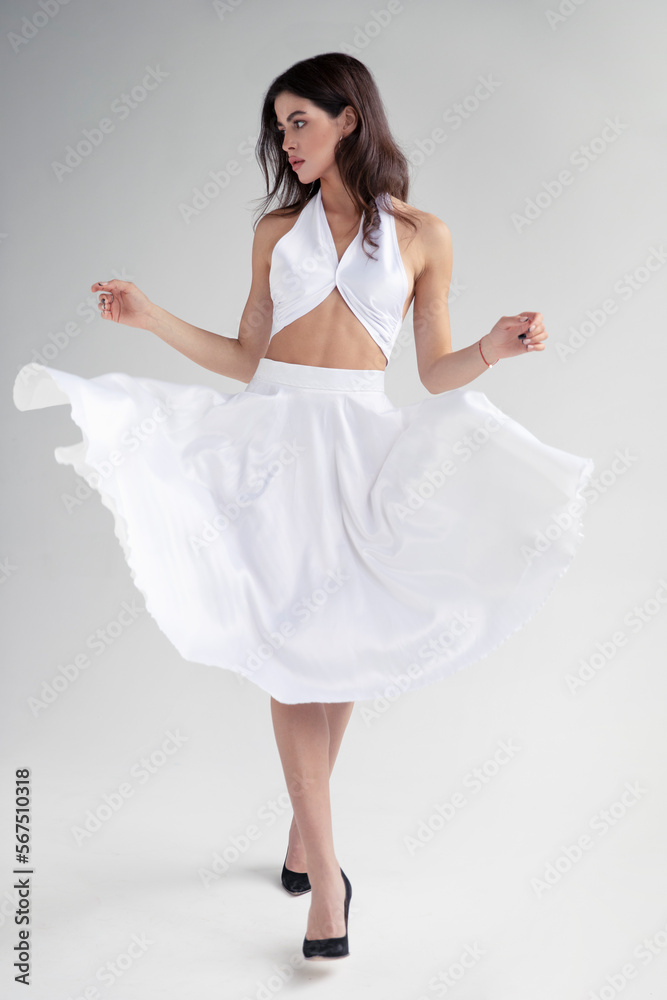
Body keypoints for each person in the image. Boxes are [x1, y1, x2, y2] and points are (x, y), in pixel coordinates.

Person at [13, 53, 594, 961]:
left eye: (298, 121)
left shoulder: (422, 235)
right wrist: (151, 316)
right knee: (289, 654)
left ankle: (299, 830)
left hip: (359, 449)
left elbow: (432, 371)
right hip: (272, 448)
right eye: (278, 126)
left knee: (341, 649)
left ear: (348, 119)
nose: (284, 141)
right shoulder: (275, 233)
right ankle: (327, 879)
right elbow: (249, 356)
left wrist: (492, 346)